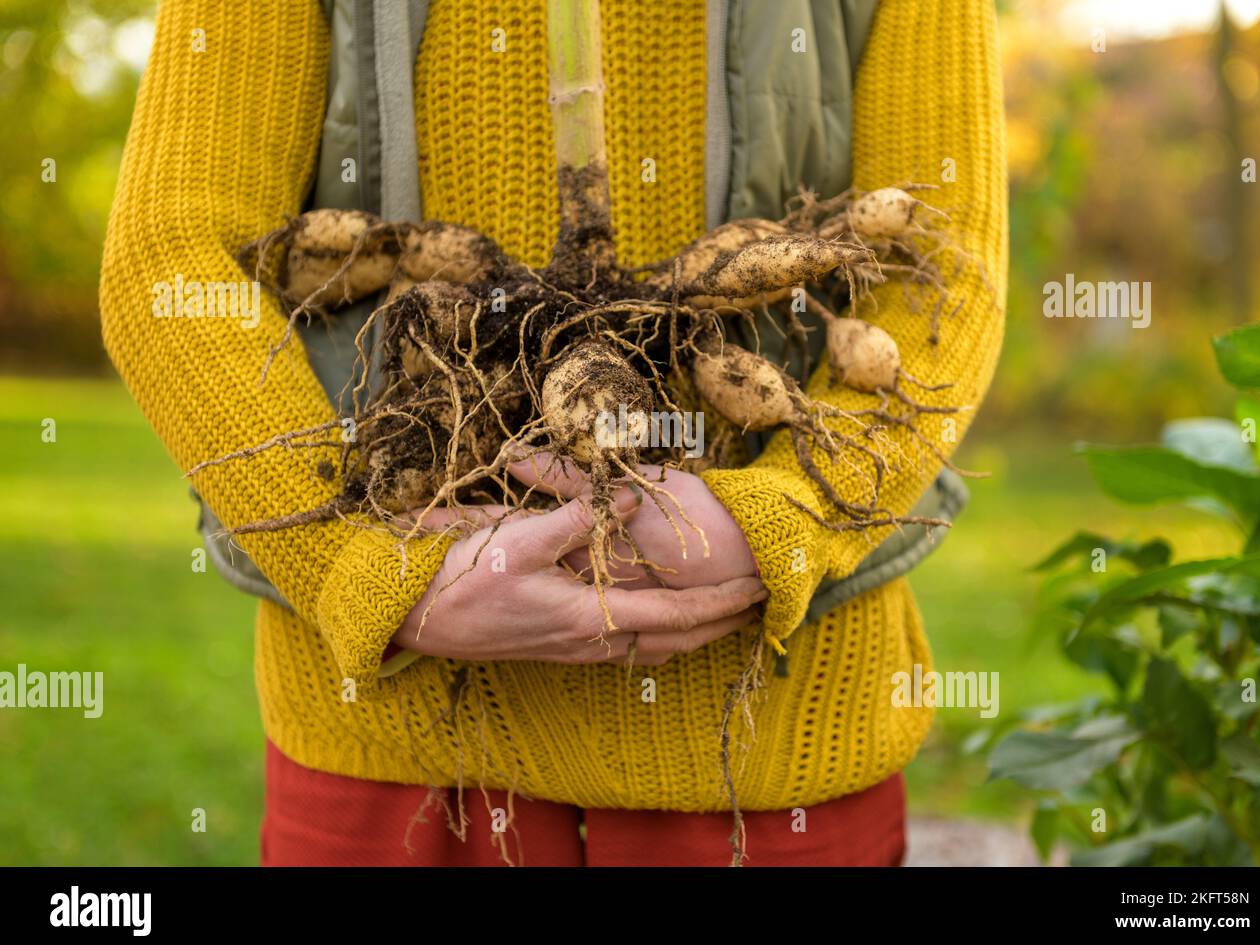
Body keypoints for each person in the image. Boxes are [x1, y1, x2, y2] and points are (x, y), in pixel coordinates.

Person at [100, 0, 1006, 866]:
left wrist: (784, 515)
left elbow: (945, 257)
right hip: (393, 749)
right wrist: (363, 571)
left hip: (779, 739)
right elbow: (174, 250)